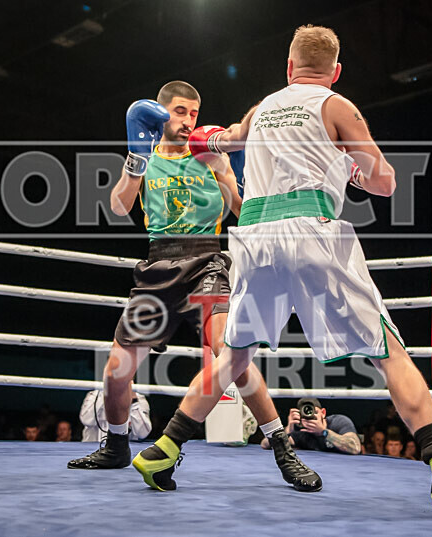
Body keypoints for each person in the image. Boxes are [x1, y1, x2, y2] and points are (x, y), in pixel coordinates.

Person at [136, 25, 432, 518]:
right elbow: (385, 182)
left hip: (254, 239)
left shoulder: (263, 107)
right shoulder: (337, 106)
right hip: (312, 231)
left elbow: (218, 142)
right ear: (335, 72)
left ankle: (162, 450)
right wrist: (352, 167)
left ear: (289, 69)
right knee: (387, 348)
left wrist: (210, 142)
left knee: (233, 355)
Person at [67, 80, 320, 493]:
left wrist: (223, 172)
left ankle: (281, 445)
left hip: (207, 261)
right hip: (157, 265)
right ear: (162, 113)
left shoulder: (209, 150)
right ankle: (115, 445)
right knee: (117, 370)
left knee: (230, 352)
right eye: (181, 112)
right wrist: (135, 158)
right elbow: (118, 206)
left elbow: (242, 212)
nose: (189, 121)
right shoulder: (145, 155)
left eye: (194, 114)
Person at [260, 398, 360, 455]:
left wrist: (323, 432)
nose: (310, 417)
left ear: (323, 413)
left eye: (314, 412)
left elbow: (355, 448)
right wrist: (287, 430)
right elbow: (265, 444)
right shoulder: (301, 431)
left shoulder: (338, 422)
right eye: (305, 414)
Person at [78, 389, 151, 443]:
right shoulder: (94, 395)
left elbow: (142, 434)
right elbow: (87, 421)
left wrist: (134, 402)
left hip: (125, 452)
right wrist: (105, 395)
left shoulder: (139, 399)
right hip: (90, 449)